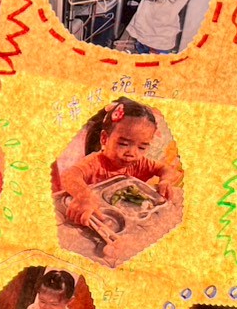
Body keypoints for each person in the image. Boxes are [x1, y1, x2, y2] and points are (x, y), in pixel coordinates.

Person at [59, 97, 183, 228]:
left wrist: (165, 181)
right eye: (123, 144)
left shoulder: (140, 163)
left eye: (142, 147)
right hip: (96, 219)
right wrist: (83, 196)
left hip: (132, 221)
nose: (132, 153)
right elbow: (69, 176)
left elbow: (166, 169)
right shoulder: (95, 162)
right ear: (104, 138)